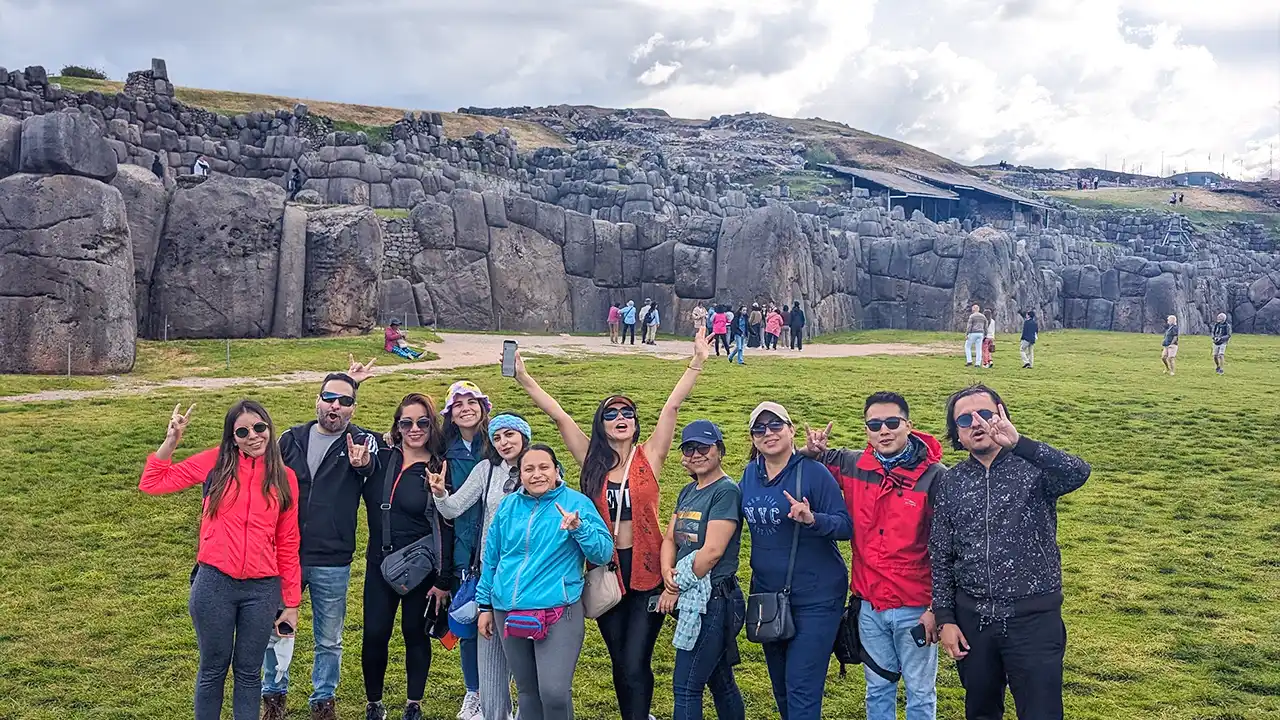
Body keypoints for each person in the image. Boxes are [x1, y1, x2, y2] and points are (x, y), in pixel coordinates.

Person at [513, 329, 711, 720]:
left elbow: (671, 407)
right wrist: (523, 377)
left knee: (636, 660)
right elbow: (559, 415)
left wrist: (698, 360)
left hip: (649, 571)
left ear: (635, 423)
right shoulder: (592, 459)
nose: (621, 419)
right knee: (621, 660)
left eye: (627, 413)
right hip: (605, 569)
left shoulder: (650, 455)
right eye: (611, 414)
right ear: (601, 424)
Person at [931, 385, 1091, 720]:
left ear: (1002, 416)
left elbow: (1078, 472)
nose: (977, 423)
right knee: (981, 711)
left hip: (1033, 619)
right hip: (973, 621)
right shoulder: (951, 482)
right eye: (964, 419)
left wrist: (1021, 445)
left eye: (985, 414)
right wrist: (946, 618)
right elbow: (941, 554)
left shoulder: (1033, 469)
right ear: (957, 435)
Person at [139, 400, 301, 720]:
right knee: (213, 668)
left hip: (262, 589)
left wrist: (291, 603)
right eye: (242, 431)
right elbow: (152, 482)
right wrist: (170, 441)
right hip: (214, 583)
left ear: (269, 427)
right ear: (232, 437)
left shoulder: (285, 477)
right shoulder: (217, 462)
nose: (253, 436)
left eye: (259, 427)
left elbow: (288, 542)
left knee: (249, 672)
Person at [802, 393, 946, 720]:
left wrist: (936, 608)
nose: (884, 430)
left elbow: (949, 548)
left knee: (920, 693)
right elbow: (802, 463)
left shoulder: (935, 477)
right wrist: (808, 451)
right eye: (874, 424)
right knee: (877, 688)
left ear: (909, 426)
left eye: (892, 422)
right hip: (869, 605)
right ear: (866, 430)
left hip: (915, 607)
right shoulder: (852, 464)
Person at [262, 366, 381, 720]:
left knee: (329, 639)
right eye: (329, 398)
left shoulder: (361, 441)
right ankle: (273, 697)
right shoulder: (290, 439)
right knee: (277, 629)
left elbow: (373, 466)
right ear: (317, 400)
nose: (335, 406)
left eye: (345, 401)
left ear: (353, 408)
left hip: (333, 557)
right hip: (286, 554)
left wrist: (363, 466)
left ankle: (323, 701)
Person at [477, 444, 614, 720]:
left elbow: (603, 552)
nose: (536, 474)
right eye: (529, 469)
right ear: (521, 474)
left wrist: (579, 529)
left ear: (556, 470)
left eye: (543, 467)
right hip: (509, 610)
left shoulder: (577, 504)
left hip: (558, 611)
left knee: (554, 692)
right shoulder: (508, 507)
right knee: (527, 693)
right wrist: (484, 605)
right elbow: (491, 559)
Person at [740, 401, 852, 720]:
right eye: (759, 428)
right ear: (752, 438)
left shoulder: (813, 473)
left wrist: (812, 519)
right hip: (767, 597)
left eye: (776, 425)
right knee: (781, 688)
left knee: (801, 686)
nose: (768, 433)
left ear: (790, 430)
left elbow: (845, 526)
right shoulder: (750, 475)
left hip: (817, 598)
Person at [432, 412, 534, 720]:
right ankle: (491, 707)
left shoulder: (538, 468)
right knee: (489, 641)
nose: (503, 442)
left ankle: (523, 705)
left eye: (510, 435)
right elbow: (454, 507)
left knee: (524, 641)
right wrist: (440, 494)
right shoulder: (486, 470)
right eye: (498, 437)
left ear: (524, 437)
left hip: (530, 570)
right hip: (492, 571)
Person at [361, 394, 455, 720]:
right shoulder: (382, 457)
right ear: (397, 427)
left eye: (422, 422)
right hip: (379, 563)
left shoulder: (438, 467)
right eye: (406, 422)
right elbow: (351, 433)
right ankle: (374, 703)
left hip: (420, 568)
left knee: (414, 633)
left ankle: (413, 704)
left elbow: (446, 525)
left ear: (432, 425)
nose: (414, 429)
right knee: (374, 634)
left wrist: (444, 580)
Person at [658, 420, 746, 720]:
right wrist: (667, 572)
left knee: (685, 686)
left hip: (716, 602)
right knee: (719, 681)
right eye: (689, 448)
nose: (696, 454)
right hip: (692, 596)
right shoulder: (688, 490)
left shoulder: (725, 492)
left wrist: (674, 587)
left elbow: (712, 552)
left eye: (703, 447)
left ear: (719, 450)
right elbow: (670, 538)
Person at [441, 381, 492, 720]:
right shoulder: (445, 449)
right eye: (457, 404)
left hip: (499, 550)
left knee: (501, 626)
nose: (465, 408)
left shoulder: (498, 443)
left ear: (483, 407)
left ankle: (498, 691)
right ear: (450, 415)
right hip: (464, 551)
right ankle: (473, 692)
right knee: (469, 623)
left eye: (471, 401)